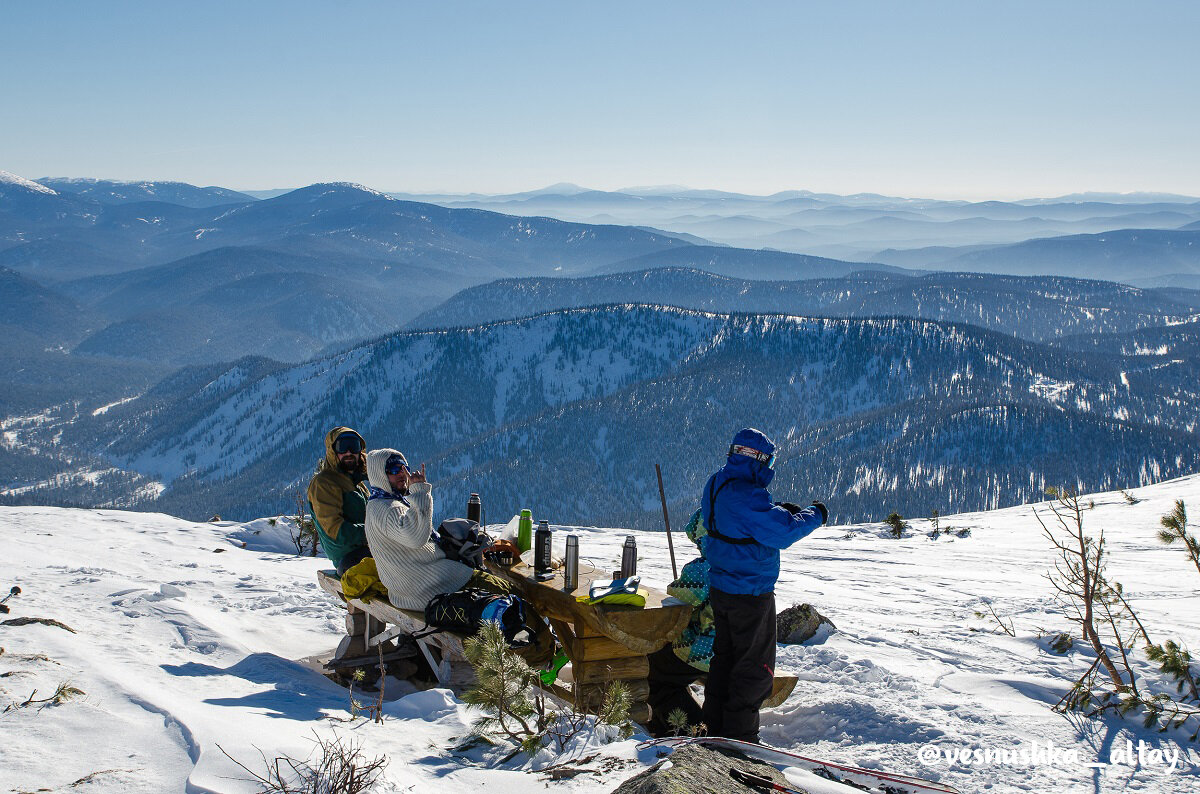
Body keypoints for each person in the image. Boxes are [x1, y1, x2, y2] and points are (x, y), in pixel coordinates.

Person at [362, 448, 556, 666]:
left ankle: (540, 651)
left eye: (404, 467)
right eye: (394, 469)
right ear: (380, 475)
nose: (403, 473)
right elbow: (416, 536)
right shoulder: (387, 509)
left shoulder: (382, 504)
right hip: (430, 588)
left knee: (502, 594)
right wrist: (420, 492)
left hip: (412, 587)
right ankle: (544, 658)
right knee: (512, 595)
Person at [699, 427, 828, 743]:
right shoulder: (746, 494)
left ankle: (714, 728)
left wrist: (778, 511)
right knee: (754, 669)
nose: (770, 468)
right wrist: (816, 514)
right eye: (769, 461)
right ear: (756, 459)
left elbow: (746, 521)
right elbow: (782, 533)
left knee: (725, 659)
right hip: (750, 592)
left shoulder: (718, 482)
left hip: (722, 587)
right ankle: (740, 738)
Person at [308, 427, 371, 576]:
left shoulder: (357, 484)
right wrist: (376, 531)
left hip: (369, 550)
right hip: (351, 558)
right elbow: (336, 532)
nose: (348, 452)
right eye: (342, 447)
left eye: (354, 446)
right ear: (333, 451)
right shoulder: (324, 483)